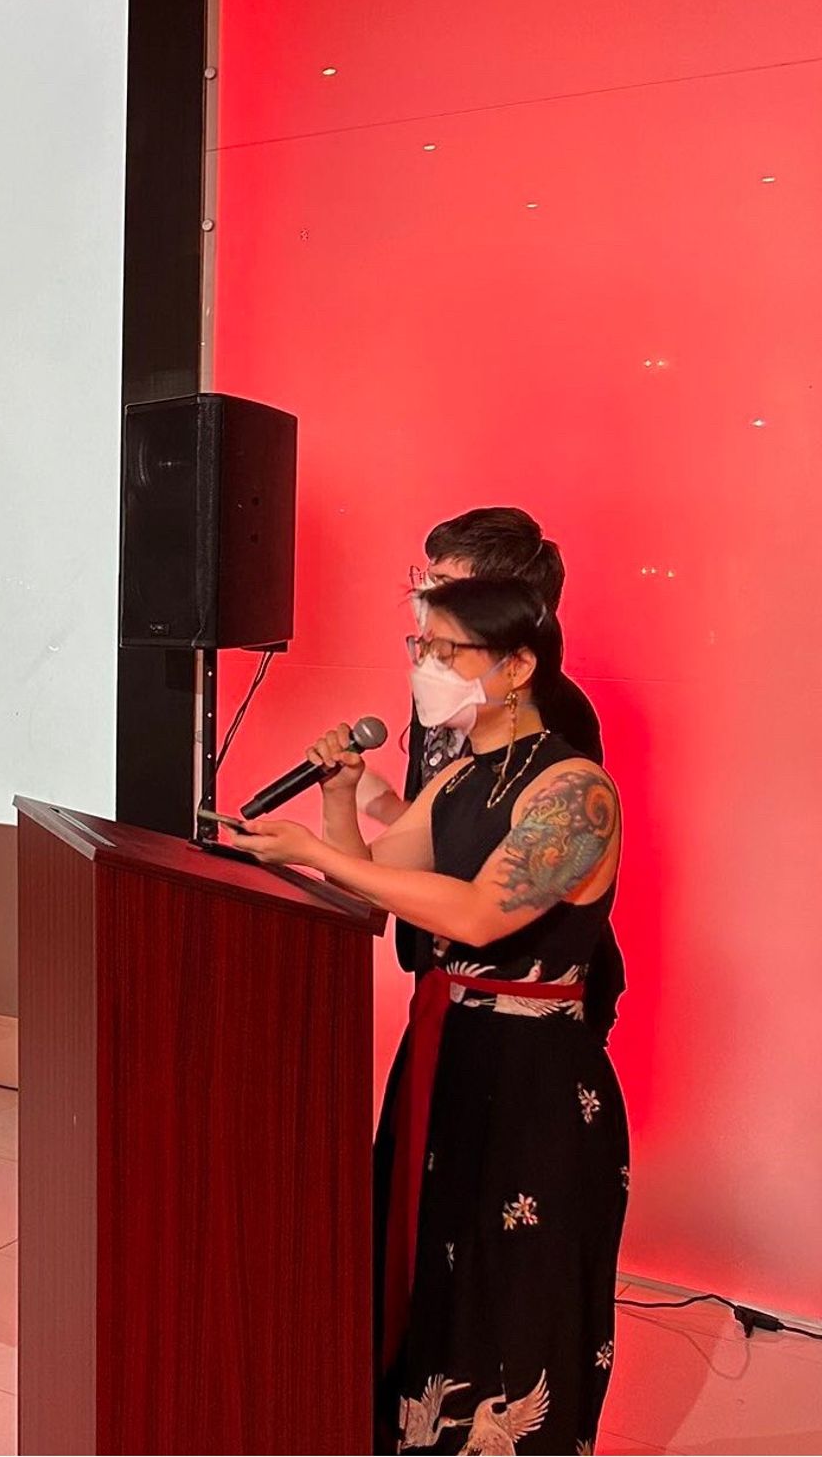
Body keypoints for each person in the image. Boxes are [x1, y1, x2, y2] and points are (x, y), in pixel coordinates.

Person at [231, 577, 628, 1455]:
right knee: (426, 1268)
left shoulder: (575, 790)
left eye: (449, 650)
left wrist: (313, 847)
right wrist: (337, 800)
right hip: (446, 1052)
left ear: (517, 665)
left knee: (509, 1286)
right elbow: (376, 881)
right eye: (422, 649)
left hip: (531, 1073)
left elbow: (481, 914)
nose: (428, 667)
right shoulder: (457, 779)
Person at [364, 507, 625, 1042]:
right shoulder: (442, 690)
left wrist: (314, 849)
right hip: (441, 965)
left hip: (527, 986)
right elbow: (454, 822)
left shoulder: (557, 716)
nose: (425, 600)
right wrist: (367, 800)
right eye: (427, 578)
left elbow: (515, 856)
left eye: (445, 584)